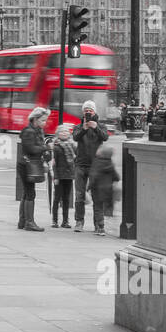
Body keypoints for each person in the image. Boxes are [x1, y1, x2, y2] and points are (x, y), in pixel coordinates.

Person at [72, 99, 109, 232]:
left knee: (97, 196)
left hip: (96, 166)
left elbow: (105, 137)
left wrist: (95, 127)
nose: (88, 112)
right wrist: (84, 128)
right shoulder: (79, 126)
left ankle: (99, 225)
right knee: (79, 195)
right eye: (86, 110)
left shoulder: (100, 125)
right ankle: (79, 222)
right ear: (83, 112)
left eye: (90, 110)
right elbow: (75, 137)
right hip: (81, 165)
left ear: (94, 112)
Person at [17, 107, 52, 232]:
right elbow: (31, 149)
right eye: (43, 120)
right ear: (35, 119)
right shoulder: (29, 131)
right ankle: (29, 222)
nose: (45, 123)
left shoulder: (37, 131)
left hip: (28, 164)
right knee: (30, 193)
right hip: (26, 165)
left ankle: (22, 221)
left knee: (27, 192)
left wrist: (46, 151)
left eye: (45, 120)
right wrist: (46, 147)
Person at [88, 141, 120, 236]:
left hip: (97, 189)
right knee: (105, 207)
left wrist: (89, 187)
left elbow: (94, 176)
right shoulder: (110, 163)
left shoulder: (97, 162)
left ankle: (100, 227)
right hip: (108, 189)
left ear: (100, 153)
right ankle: (106, 225)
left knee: (97, 208)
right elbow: (116, 177)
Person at [51, 123, 76, 228]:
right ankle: (55, 220)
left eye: (66, 131)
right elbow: (54, 164)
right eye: (62, 131)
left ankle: (65, 221)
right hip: (59, 176)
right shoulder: (56, 147)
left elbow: (74, 161)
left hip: (69, 176)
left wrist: (73, 174)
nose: (64, 133)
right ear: (58, 134)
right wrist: (55, 177)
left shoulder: (72, 145)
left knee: (66, 199)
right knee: (57, 198)